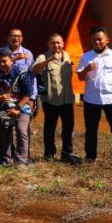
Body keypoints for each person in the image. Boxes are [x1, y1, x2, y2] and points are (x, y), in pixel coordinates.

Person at [76, 27, 112, 161]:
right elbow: (80, 77)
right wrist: (87, 68)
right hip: (91, 99)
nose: (97, 42)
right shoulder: (86, 56)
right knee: (91, 130)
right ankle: (90, 157)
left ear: (107, 40)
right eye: (94, 39)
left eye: (100, 39)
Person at [32, 34, 78, 163]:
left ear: (63, 43)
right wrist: (50, 59)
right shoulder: (43, 56)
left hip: (67, 99)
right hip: (51, 100)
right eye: (53, 43)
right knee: (50, 128)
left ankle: (66, 153)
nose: (56, 45)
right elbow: (34, 70)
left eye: (58, 43)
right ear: (48, 44)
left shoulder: (67, 56)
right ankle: (49, 154)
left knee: (68, 127)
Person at [0, 48, 33, 166]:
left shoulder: (21, 74)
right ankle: (5, 159)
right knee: (4, 132)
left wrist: (17, 109)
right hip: (3, 108)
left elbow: (27, 95)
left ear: (11, 60)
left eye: (4, 61)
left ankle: (22, 159)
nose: (1, 64)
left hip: (21, 107)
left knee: (21, 130)